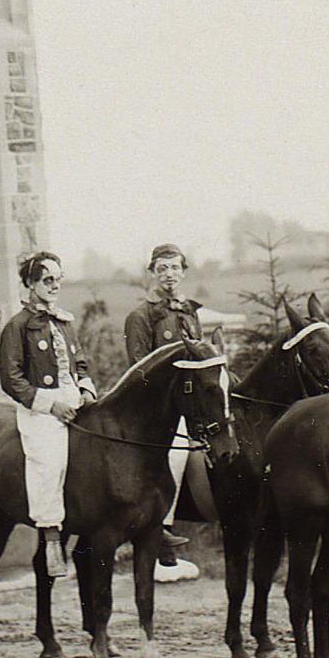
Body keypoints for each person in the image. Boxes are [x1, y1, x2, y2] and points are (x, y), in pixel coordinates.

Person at [0, 251, 97, 575]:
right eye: (47, 280)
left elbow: (79, 363)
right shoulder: (17, 327)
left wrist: (85, 390)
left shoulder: (64, 322)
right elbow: (11, 379)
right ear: (30, 283)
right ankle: (52, 535)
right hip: (41, 408)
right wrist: (50, 405)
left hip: (74, 400)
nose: (55, 286)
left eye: (58, 279)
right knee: (48, 458)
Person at [123, 242, 201, 578]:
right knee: (175, 451)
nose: (169, 275)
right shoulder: (141, 316)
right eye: (162, 268)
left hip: (190, 400)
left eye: (175, 268)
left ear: (183, 272)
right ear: (152, 273)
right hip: (154, 406)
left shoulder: (189, 312)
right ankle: (161, 530)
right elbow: (138, 370)